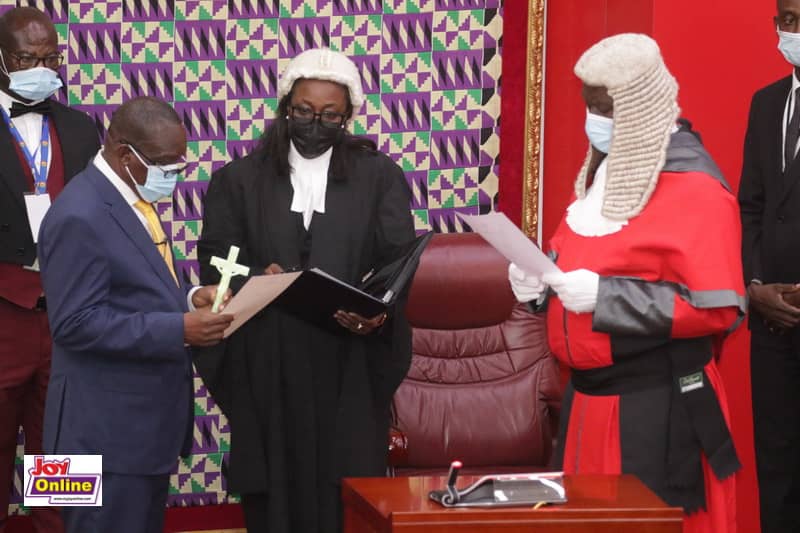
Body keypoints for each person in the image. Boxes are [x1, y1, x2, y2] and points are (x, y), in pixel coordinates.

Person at [508, 34, 745, 533]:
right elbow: (583, 259)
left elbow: (718, 308)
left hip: (654, 407)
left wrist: (605, 297)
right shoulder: (605, 172)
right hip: (586, 405)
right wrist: (540, 285)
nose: (593, 121)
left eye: (604, 109)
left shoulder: (697, 187)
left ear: (638, 108)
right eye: (588, 106)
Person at [195, 47, 415, 532]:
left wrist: (378, 313)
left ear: (348, 116)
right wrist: (257, 275)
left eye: (330, 115)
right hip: (269, 359)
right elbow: (214, 260)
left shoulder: (380, 179)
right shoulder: (238, 180)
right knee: (275, 485)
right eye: (304, 112)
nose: (316, 123)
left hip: (349, 360)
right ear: (284, 108)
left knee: (346, 489)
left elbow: (398, 261)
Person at [37, 96, 233, 533]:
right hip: (99, 438)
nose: (173, 177)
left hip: (137, 435)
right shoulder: (79, 214)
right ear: (125, 154)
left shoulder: (127, 200)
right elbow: (73, 323)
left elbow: (131, 292)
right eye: (165, 165)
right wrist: (179, 329)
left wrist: (188, 299)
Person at [0, 7, 99, 532]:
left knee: (63, 454)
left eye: (50, 57)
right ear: (0, 60)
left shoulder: (82, 128)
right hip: (3, 315)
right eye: (26, 58)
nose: (41, 67)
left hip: (70, 318)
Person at [739, 1, 800, 530]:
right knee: (776, 471)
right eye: (787, 19)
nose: (793, 31)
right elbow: (752, 207)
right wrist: (754, 286)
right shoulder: (765, 103)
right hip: (770, 324)